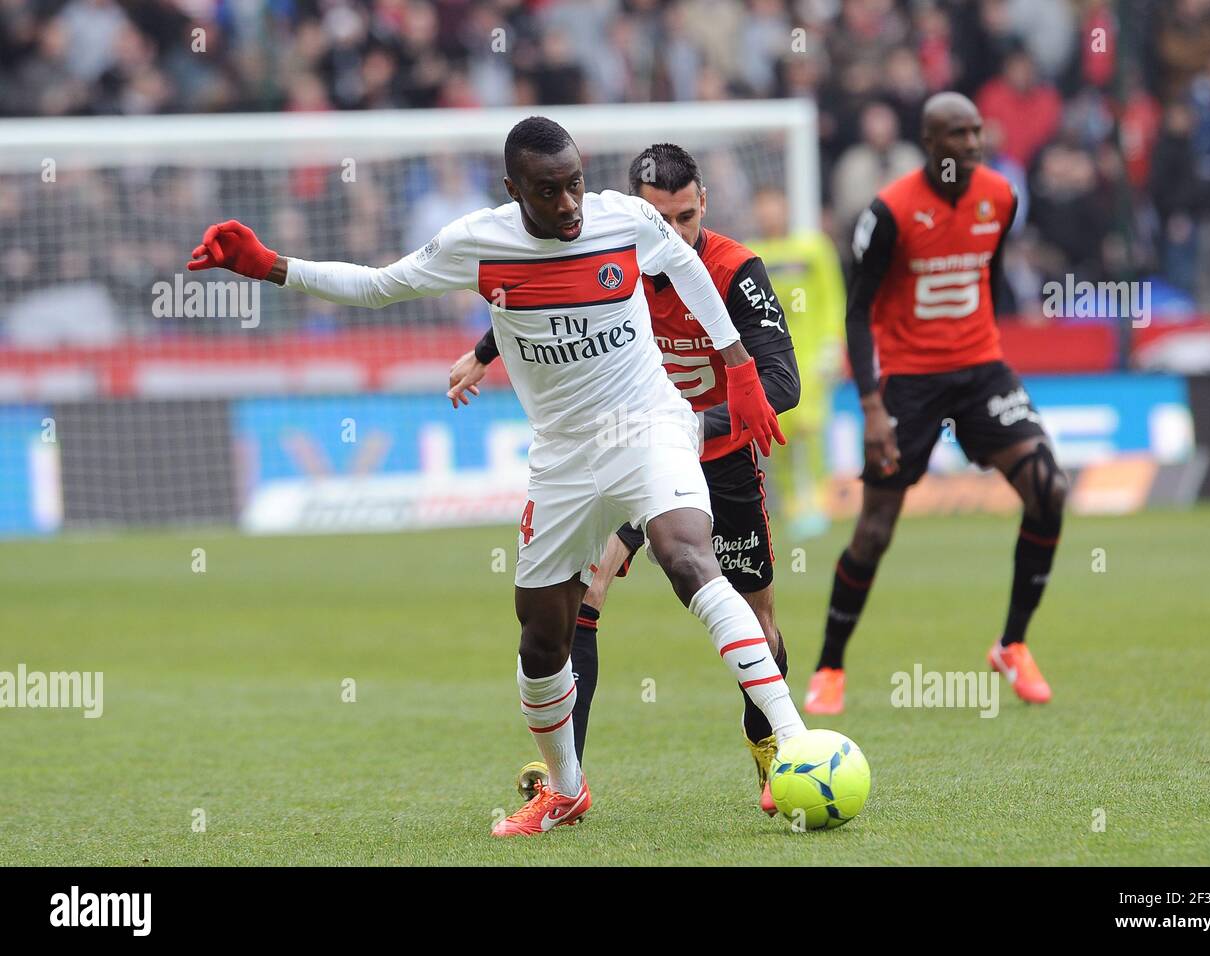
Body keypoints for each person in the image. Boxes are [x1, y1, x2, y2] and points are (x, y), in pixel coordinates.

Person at [186, 116, 806, 836]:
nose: (571, 203)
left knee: (688, 557)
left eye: (575, 183)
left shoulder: (623, 219)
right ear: (515, 191)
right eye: (551, 192)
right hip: (564, 457)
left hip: (648, 427)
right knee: (542, 634)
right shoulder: (476, 242)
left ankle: (795, 745)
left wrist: (738, 367)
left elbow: (687, 265)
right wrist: (271, 266)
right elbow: (378, 287)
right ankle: (567, 790)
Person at [449, 144, 800, 815]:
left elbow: (782, 384)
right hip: (627, 452)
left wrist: (687, 432)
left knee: (756, 615)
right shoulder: (611, 249)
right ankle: (564, 780)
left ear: (706, 206)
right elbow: (539, 294)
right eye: (662, 215)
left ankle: (772, 760)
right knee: (586, 593)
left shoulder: (735, 272)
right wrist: (485, 350)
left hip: (715, 457)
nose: (678, 229)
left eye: (688, 215)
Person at [805, 93, 1068, 716]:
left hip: (980, 369)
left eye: (977, 131)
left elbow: (991, 274)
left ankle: (1012, 644)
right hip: (910, 382)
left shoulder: (1001, 196)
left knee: (1049, 487)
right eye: (958, 133)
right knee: (874, 531)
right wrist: (871, 405)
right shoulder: (890, 212)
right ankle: (830, 666)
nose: (972, 142)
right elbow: (858, 311)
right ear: (930, 141)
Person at [746, 185, 846, 539]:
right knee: (781, 429)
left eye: (774, 204)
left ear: (786, 206)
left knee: (811, 426)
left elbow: (833, 297)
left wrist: (834, 342)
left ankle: (819, 498)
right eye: (762, 206)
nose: (769, 213)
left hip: (810, 351)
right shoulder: (752, 253)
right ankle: (791, 502)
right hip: (771, 356)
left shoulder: (813, 247)